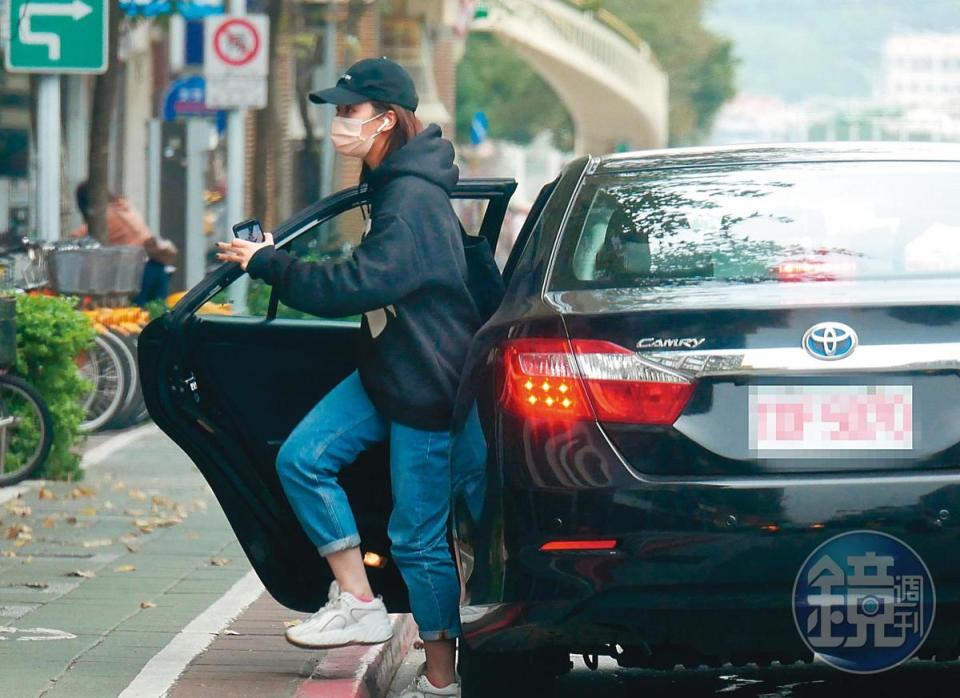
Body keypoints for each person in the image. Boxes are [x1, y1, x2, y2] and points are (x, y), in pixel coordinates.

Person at [216, 57, 477, 698]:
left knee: (417, 541)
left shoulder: (411, 198)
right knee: (303, 458)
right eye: (336, 112)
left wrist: (271, 265)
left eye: (349, 112)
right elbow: (363, 270)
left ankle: (441, 682)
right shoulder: (393, 184)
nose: (339, 124)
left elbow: (361, 283)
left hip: (426, 383)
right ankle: (358, 600)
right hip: (391, 370)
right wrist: (279, 253)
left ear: (387, 119)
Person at [71, 182, 178, 305]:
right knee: (154, 317)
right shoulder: (124, 208)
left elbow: (77, 237)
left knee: (136, 313)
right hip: (156, 268)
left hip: (139, 273)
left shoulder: (106, 216)